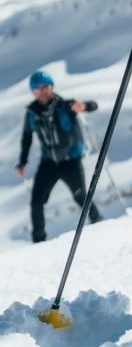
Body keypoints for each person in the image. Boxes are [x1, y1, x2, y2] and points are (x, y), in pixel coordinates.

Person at [16, 70, 103, 243]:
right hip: (48, 163)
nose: (43, 90)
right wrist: (23, 161)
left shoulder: (66, 105)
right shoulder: (32, 113)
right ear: (33, 91)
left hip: (71, 161)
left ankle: (99, 223)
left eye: (46, 86)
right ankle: (38, 241)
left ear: (52, 87)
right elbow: (27, 137)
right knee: (36, 201)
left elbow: (93, 105)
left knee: (81, 197)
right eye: (38, 88)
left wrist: (84, 106)